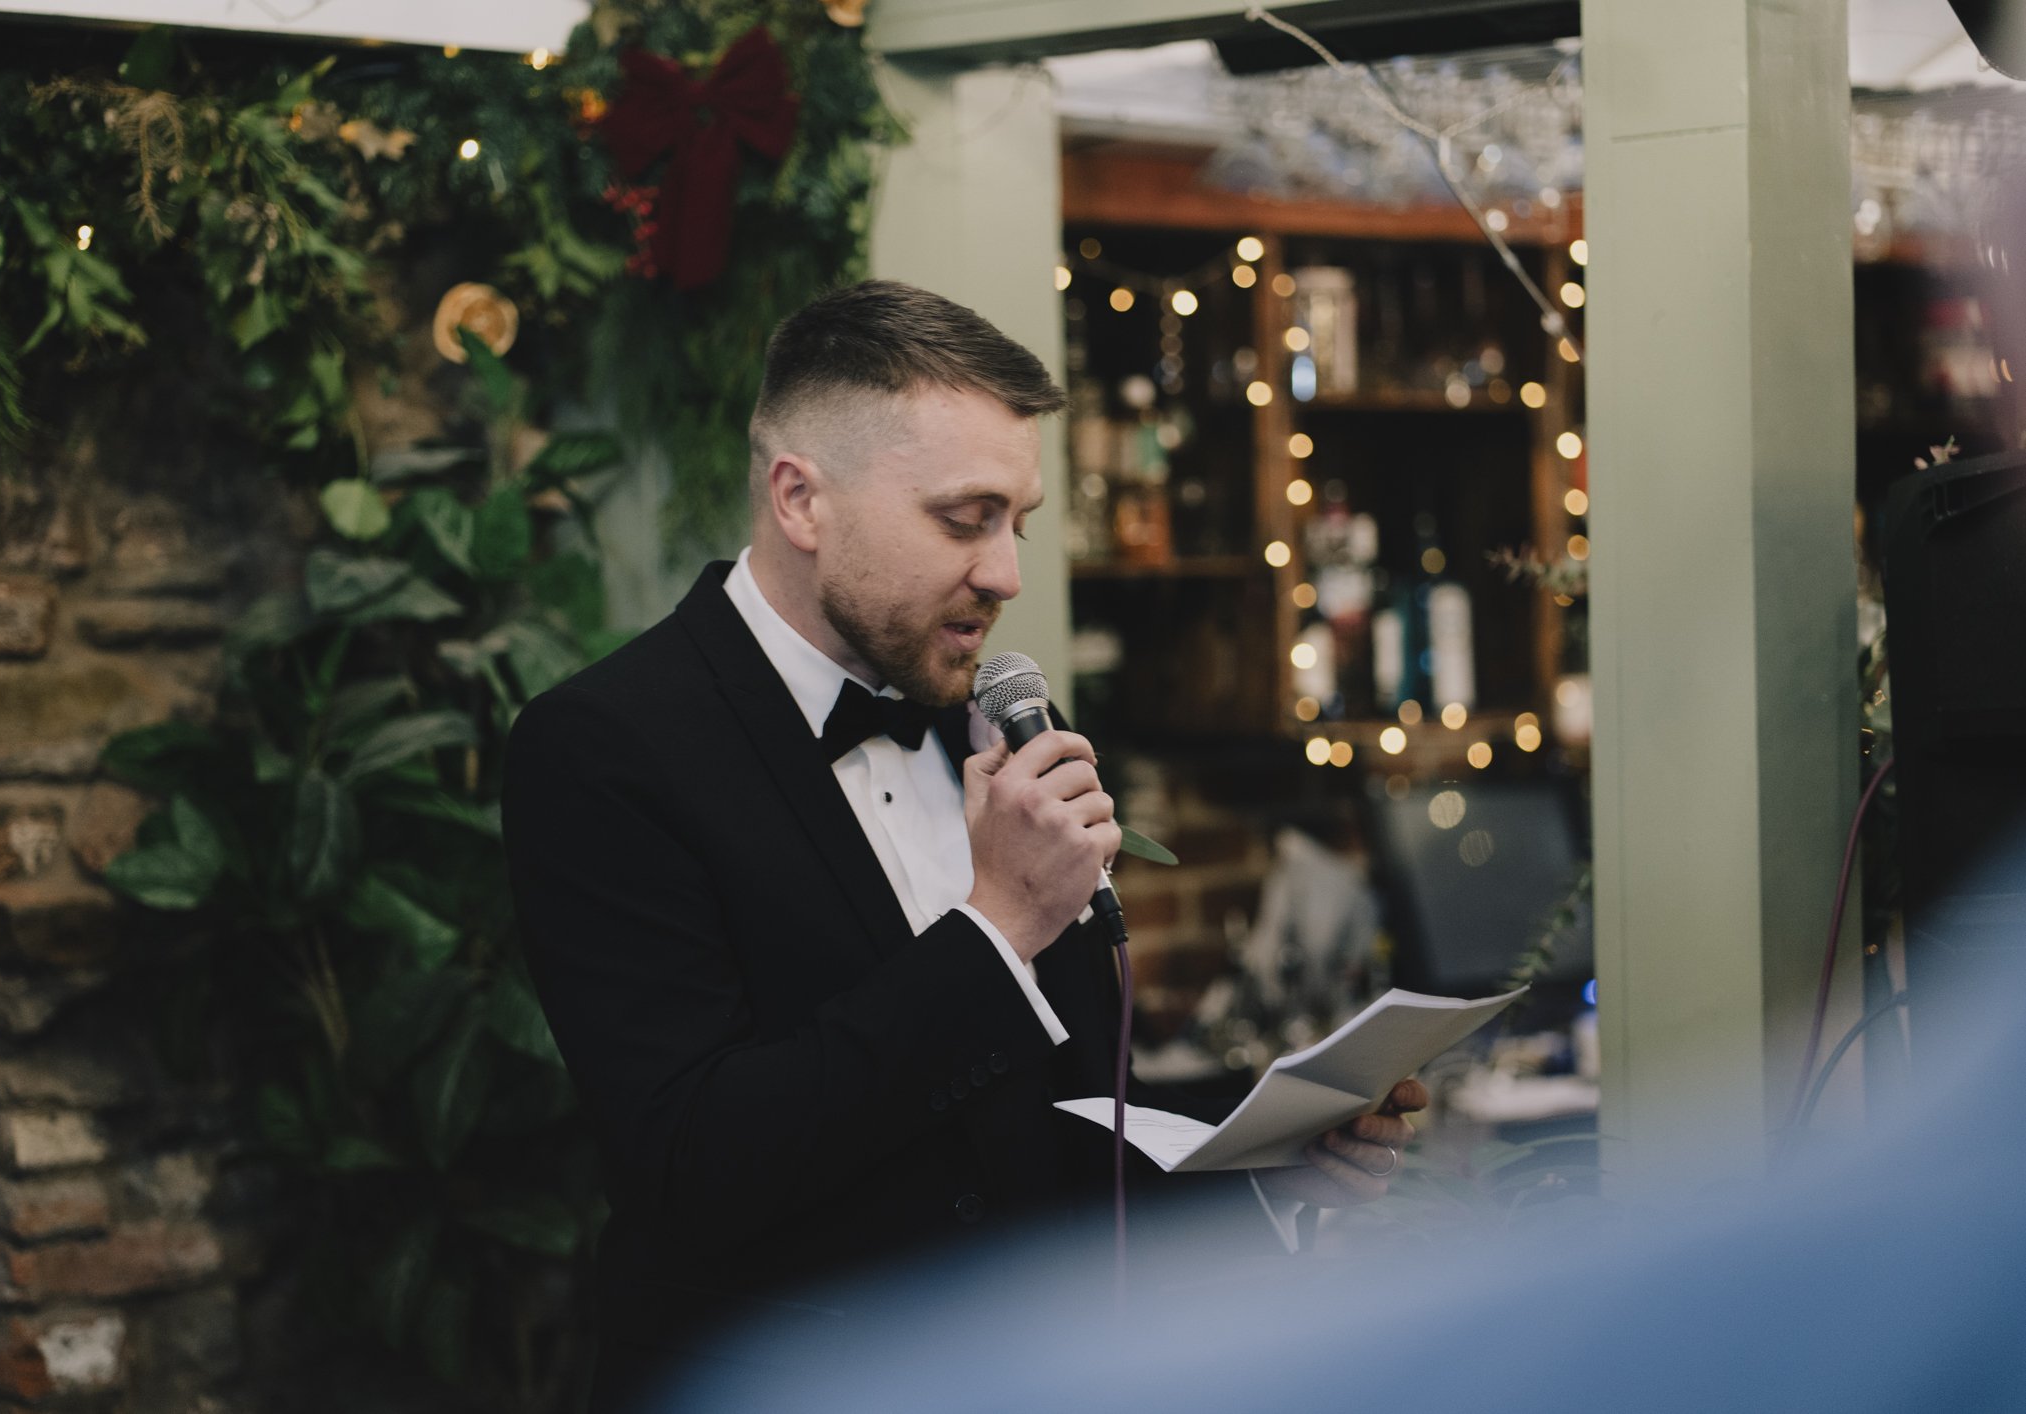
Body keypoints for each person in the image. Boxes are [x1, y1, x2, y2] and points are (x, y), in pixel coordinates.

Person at [502, 280, 1423, 1407]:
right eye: (963, 518)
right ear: (801, 499)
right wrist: (999, 926)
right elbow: (695, 1164)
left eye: (1016, 522)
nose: (1006, 574)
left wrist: (1274, 1161)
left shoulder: (993, 723)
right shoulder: (603, 748)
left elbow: (1066, 1125)